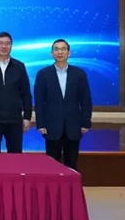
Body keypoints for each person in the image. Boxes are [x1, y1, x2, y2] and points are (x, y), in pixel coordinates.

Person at [34, 39, 92, 171]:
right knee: (52, 165)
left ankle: (71, 185)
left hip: (74, 125)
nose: (60, 52)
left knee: (71, 163)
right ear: (52, 53)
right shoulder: (43, 74)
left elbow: (85, 99)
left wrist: (85, 122)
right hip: (52, 126)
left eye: (63, 49)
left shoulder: (79, 74)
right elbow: (39, 101)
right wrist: (41, 124)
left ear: (69, 53)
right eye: (56, 49)